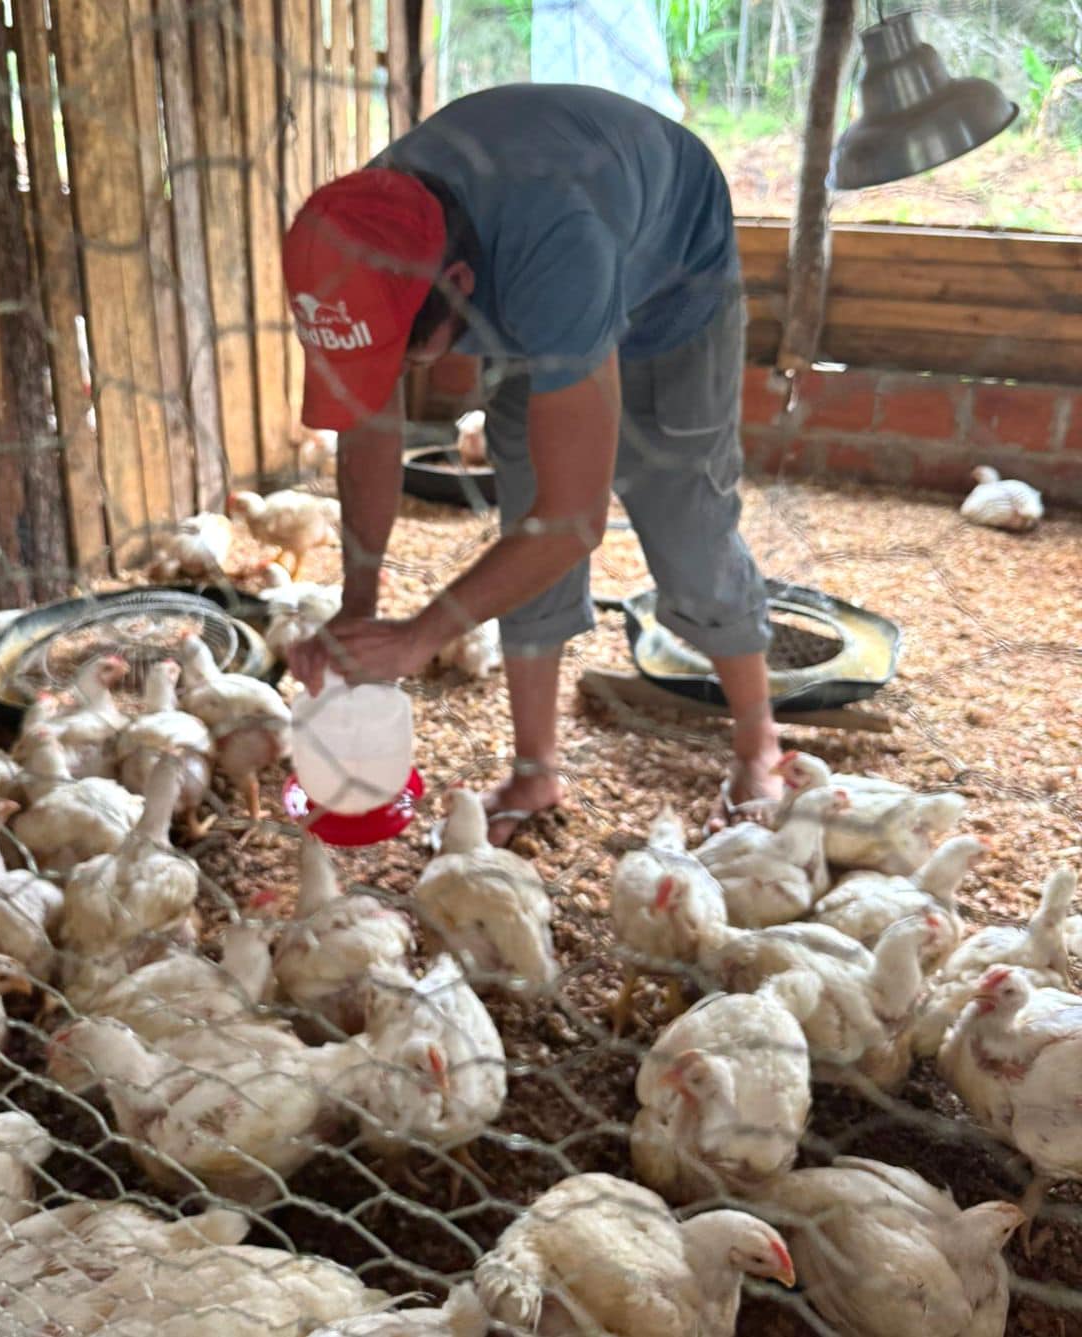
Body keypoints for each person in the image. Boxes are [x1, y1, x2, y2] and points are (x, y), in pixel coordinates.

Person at [285, 83, 781, 845]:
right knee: (522, 505)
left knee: (684, 513)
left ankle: (760, 745)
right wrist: (359, 603)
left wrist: (421, 634)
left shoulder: (559, 251)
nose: (400, 370)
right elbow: (369, 428)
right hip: (529, 258)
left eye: (409, 352)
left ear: (455, 287)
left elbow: (575, 521)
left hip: (669, 270)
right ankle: (536, 768)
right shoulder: (353, 242)